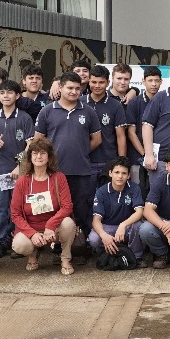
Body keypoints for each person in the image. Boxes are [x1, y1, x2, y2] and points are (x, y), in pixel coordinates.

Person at [35, 72, 102, 261]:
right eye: (70, 88)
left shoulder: (88, 111)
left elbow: (96, 139)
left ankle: (81, 248)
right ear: (61, 88)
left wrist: (80, 151)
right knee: (56, 212)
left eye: (77, 88)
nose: (74, 92)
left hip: (81, 171)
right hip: (54, 173)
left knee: (81, 210)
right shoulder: (47, 111)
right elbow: (38, 141)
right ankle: (58, 249)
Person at [0, 79, 35, 257]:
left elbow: (30, 145)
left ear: (17, 95)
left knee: (20, 208)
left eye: (10, 92)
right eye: (2, 93)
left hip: (20, 172)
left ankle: (19, 240)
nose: (6, 96)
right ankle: (1, 241)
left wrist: (19, 166)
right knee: (1, 208)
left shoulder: (24, 118)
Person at [9, 136, 78, 274]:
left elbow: (67, 206)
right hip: (31, 228)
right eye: (35, 153)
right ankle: (33, 254)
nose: (38, 156)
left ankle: (65, 259)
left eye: (42, 153)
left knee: (69, 223)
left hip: (54, 228)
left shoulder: (59, 178)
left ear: (49, 157)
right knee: (19, 245)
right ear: (30, 157)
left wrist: (50, 225)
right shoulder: (23, 181)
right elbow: (15, 214)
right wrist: (32, 234)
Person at [89, 156, 145, 264]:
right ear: (110, 173)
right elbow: (96, 220)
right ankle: (105, 251)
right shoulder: (101, 191)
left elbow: (139, 212)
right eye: (117, 172)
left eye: (124, 173)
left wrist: (123, 225)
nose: (120, 176)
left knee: (138, 226)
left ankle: (136, 256)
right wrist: (104, 235)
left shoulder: (134, 188)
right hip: (108, 227)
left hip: (127, 227)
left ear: (128, 175)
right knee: (94, 239)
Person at [84, 65, 128, 178]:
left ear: (108, 82)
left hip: (109, 161)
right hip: (84, 160)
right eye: (93, 82)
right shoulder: (79, 103)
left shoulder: (116, 105)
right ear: (89, 81)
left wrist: (121, 163)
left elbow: (120, 136)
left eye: (101, 82)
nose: (97, 86)